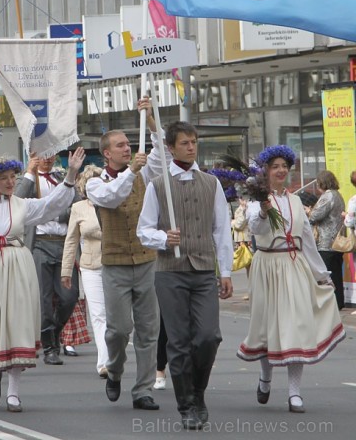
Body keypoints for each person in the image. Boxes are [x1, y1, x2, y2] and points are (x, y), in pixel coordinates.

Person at [0, 147, 85, 413]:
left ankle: (14, 391)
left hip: (18, 266)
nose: (10, 181)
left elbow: (53, 205)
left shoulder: (22, 205)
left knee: (17, 324)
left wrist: (71, 174)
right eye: (4, 177)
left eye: (13, 176)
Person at [137, 120, 233, 430]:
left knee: (208, 337)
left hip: (204, 269)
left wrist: (226, 271)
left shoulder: (211, 183)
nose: (191, 147)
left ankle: (199, 391)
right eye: (184, 143)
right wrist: (164, 238)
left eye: (194, 142)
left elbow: (221, 230)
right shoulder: (157, 184)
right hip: (170, 272)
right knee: (177, 342)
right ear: (171, 147)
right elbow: (144, 230)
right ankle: (186, 405)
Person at [237, 145, 346, 414]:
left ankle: (294, 393)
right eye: (275, 167)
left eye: (284, 166)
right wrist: (263, 210)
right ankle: (265, 377)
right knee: (265, 327)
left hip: (294, 265)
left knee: (295, 326)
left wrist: (322, 275)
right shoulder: (256, 202)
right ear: (266, 171)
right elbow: (256, 228)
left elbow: (306, 241)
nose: (281, 171)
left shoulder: (297, 201)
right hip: (267, 266)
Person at [86, 96, 165, 412]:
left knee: (149, 330)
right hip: (115, 264)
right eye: (119, 145)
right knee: (118, 330)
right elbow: (113, 198)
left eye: (128, 143)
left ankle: (143, 389)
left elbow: (163, 154)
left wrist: (151, 118)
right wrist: (131, 171)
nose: (127, 147)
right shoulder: (95, 183)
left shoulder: (144, 172)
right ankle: (115, 371)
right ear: (107, 153)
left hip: (146, 261)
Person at [15, 152, 80, 366]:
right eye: (42, 155)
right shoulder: (27, 179)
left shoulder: (62, 177)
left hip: (64, 244)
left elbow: (78, 206)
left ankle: (54, 332)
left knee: (69, 296)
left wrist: (60, 211)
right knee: (42, 298)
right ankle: (50, 347)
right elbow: (17, 200)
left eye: (51, 154)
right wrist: (29, 173)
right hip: (40, 243)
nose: (48, 158)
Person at [61, 164, 109, 377]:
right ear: (84, 188)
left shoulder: (113, 204)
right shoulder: (78, 208)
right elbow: (71, 240)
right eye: (91, 184)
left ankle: (113, 354)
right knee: (99, 315)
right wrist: (66, 270)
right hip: (91, 267)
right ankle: (104, 362)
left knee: (119, 318)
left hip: (116, 264)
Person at [307, 170, 345, 310]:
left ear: (322, 182)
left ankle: (329, 304)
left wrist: (308, 211)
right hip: (337, 242)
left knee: (326, 275)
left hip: (325, 241)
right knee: (336, 274)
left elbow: (315, 216)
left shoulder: (327, 196)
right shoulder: (338, 195)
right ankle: (339, 302)